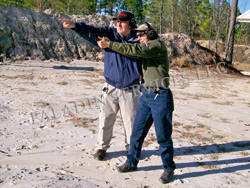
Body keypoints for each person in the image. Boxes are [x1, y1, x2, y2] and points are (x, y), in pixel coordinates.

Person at [97, 22, 175, 184]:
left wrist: (110, 44)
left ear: (151, 33)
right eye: (137, 34)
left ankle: (168, 168)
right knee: (136, 134)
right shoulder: (146, 45)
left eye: (141, 34)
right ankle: (132, 162)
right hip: (146, 95)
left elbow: (134, 50)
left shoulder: (155, 45)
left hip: (160, 96)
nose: (138, 37)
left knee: (163, 138)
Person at [59, 11, 142, 161]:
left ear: (131, 23)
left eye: (122, 21)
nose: (118, 24)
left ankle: (132, 149)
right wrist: (75, 26)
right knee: (105, 120)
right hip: (110, 87)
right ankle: (101, 148)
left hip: (131, 89)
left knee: (131, 123)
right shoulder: (109, 34)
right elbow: (92, 31)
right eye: (117, 21)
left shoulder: (139, 40)